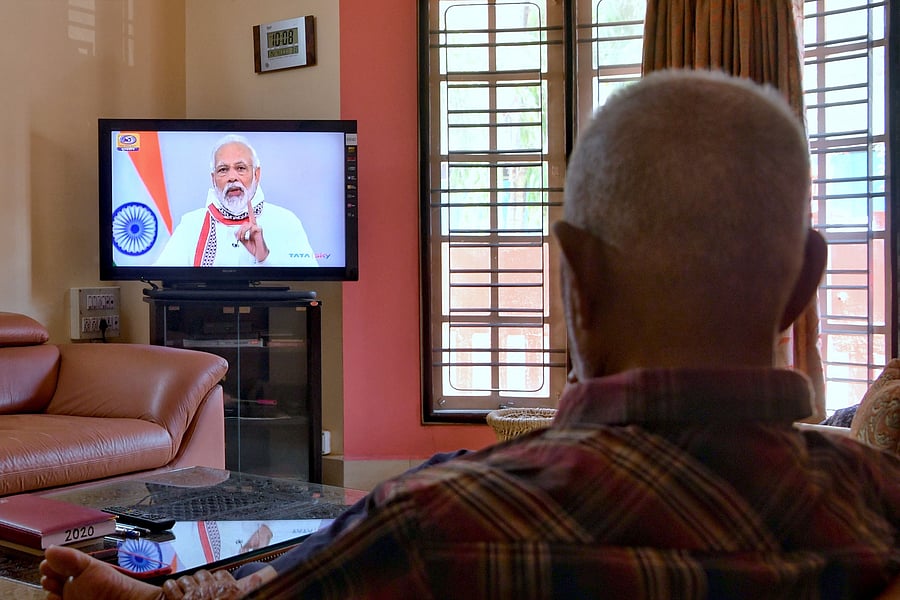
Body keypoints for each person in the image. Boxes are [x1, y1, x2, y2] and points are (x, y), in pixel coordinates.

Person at [40, 69, 900, 599]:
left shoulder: (433, 528)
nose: (228, 179)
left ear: (575, 274)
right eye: (219, 168)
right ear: (805, 284)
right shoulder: (882, 498)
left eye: (240, 169)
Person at [153, 134, 319, 267]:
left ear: (256, 174)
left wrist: (264, 258)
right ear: (213, 179)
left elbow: (307, 281)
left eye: (240, 168)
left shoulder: (286, 221)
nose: (232, 177)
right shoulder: (191, 224)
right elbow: (162, 277)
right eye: (223, 170)